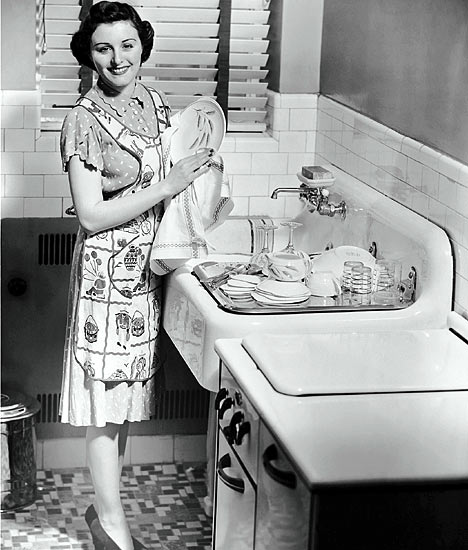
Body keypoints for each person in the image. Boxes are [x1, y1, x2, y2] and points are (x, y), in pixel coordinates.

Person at [59, 2, 214, 549]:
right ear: (89, 55)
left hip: (144, 273)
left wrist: (204, 188)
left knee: (123, 404)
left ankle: (106, 513)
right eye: (103, 48)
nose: (118, 58)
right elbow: (90, 215)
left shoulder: (154, 102)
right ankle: (112, 526)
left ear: (143, 46)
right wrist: (168, 186)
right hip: (105, 278)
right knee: (104, 408)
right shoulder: (82, 120)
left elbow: (177, 172)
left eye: (127, 45)